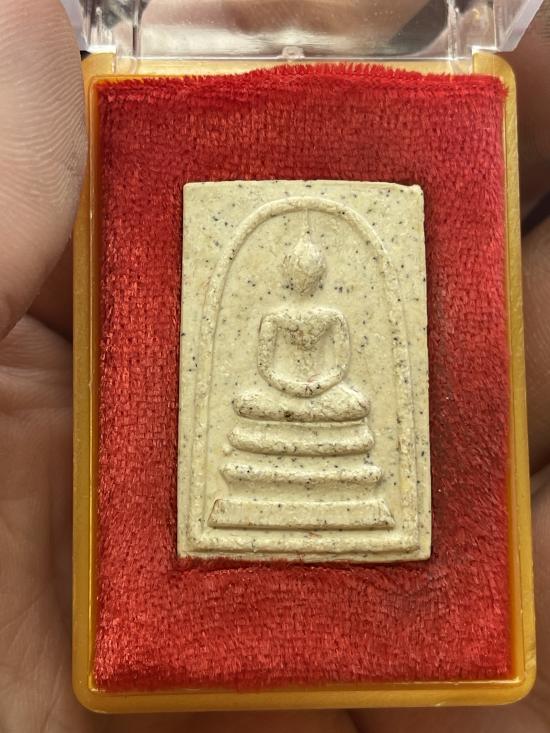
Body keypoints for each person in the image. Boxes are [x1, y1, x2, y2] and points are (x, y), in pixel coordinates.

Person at [0, 1, 548, 731]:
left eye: (307, 271)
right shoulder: (275, 316)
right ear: (288, 275)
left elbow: (343, 365)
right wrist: (291, 391)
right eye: (295, 271)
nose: (301, 280)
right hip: (273, 406)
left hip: (331, 409)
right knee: (254, 413)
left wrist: (318, 389)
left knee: (353, 407)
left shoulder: (329, 316)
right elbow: (261, 371)